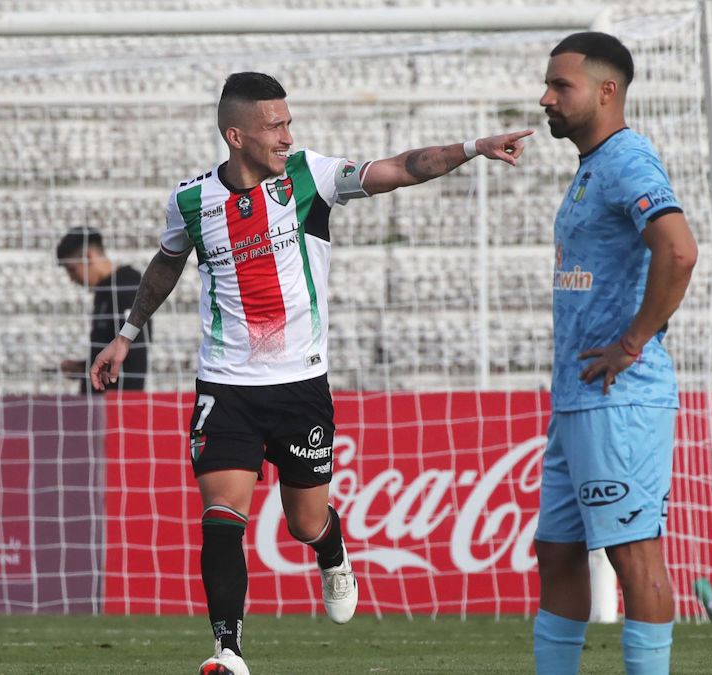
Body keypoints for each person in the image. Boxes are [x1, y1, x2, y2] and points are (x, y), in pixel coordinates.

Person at [88, 71, 532, 675]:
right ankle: (228, 651)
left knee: (303, 522)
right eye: (276, 126)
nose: (287, 135)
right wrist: (126, 334)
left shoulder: (310, 176)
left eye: (289, 122)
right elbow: (168, 264)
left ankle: (332, 549)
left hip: (301, 386)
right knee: (222, 515)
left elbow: (403, 167)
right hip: (226, 383)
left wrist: (475, 147)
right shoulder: (191, 199)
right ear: (236, 134)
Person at [532, 33, 698, 675]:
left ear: (607, 91)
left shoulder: (629, 160)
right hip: (578, 397)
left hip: (619, 398)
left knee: (634, 555)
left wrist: (633, 342)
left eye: (560, 86)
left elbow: (678, 250)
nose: (546, 98)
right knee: (557, 550)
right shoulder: (594, 165)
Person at [56, 227, 150, 394]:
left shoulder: (126, 285)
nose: (72, 278)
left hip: (116, 404)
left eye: (72, 269)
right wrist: (83, 367)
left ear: (88, 257)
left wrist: (128, 403)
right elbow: (111, 352)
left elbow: (134, 353)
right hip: (99, 403)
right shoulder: (103, 290)